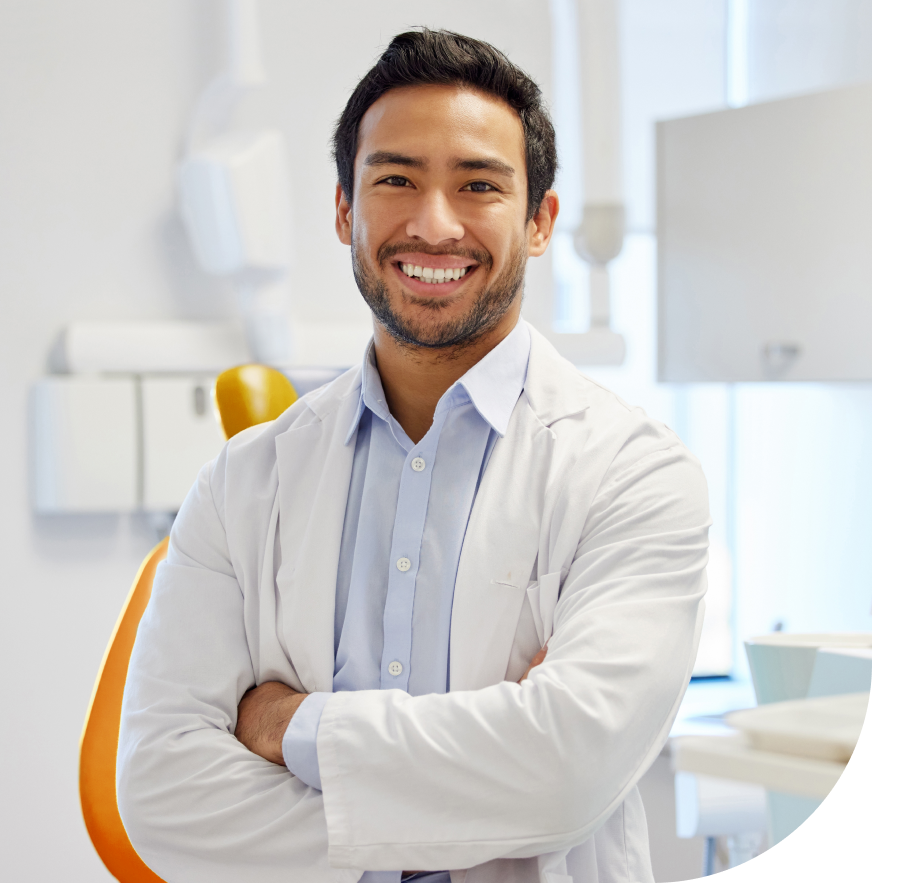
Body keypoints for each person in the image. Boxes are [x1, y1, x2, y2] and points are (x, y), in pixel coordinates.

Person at [117, 28, 710, 883]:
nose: (434, 224)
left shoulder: (635, 476)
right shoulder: (244, 482)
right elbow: (161, 795)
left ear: (540, 221)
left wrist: (292, 728)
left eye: (478, 185)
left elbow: (565, 772)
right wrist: (489, 795)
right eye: (395, 179)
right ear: (344, 210)